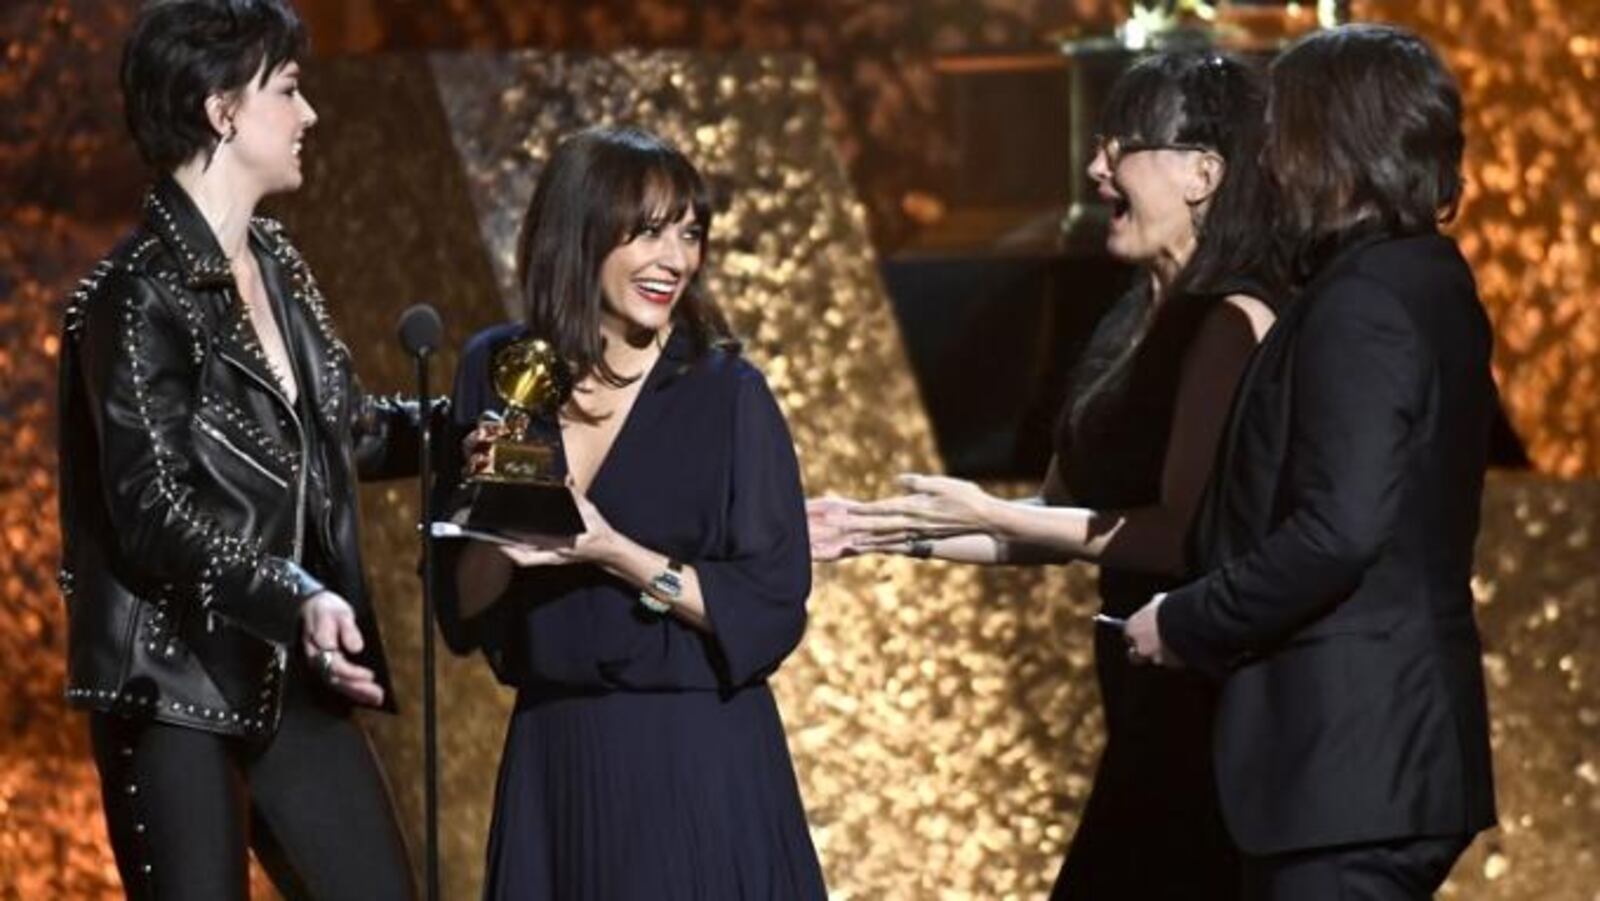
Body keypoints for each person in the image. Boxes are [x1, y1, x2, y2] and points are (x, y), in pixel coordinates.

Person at [810, 51, 1280, 899]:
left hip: (1206, 713)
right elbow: (1061, 518)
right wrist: (881, 529)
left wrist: (994, 511)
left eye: (1122, 147)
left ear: (1204, 171)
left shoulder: (1233, 321)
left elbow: (1180, 531)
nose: (1096, 169)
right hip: (1137, 707)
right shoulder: (1130, 320)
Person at [1124, 24, 1497, 900]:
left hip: (1347, 765)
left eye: (1281, 132)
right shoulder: (1426, 277)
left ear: (1330, 142)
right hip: (1378, 760)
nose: (1268, 162)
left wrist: (1187, 618)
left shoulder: (1364, 300)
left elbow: (1341, 527)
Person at [55, 1, 419, 897]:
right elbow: (153, 511)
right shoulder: (135, 297)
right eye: (289, 91)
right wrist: (294, 591)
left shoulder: (279, 263)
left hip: (284, 669)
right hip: (173, 682)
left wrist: (477, 427)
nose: (310, 116)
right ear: (222, 110)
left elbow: (349, 428)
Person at [432, 125, 826, 899]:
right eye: (647, 233)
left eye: (689, 234)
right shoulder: (500, 368)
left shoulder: (726, 394)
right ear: (579, 232)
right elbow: (459, 605)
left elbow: (771, 607)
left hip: (695, 762)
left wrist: (615, 551)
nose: (674, 260)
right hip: (555, 759)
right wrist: (501, 534)